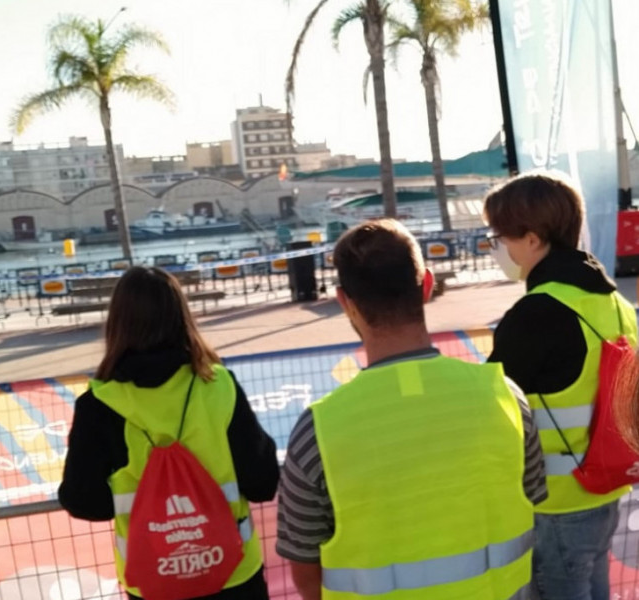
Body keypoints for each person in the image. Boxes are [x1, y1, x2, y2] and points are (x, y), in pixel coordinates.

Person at [276, 219, 546, 600]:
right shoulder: (505, 397)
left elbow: (306, 573)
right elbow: (533, 504)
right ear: (427, 285)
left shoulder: (317, 431)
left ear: (345, 303)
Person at [58, 265, 280, 600]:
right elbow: (263, 482)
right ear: (182, 317)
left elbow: (83, 500)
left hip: (153, 579)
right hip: (234, 575)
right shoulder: (218, 386)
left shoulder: (99, 406)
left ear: (117, 324)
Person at [484, 172, 638, 599]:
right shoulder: (616, 304)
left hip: (555, 504)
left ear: (532, 239)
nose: (498, 248)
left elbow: (488, 404)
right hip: (605, 487)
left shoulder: (538, 313)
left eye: (500, 237)